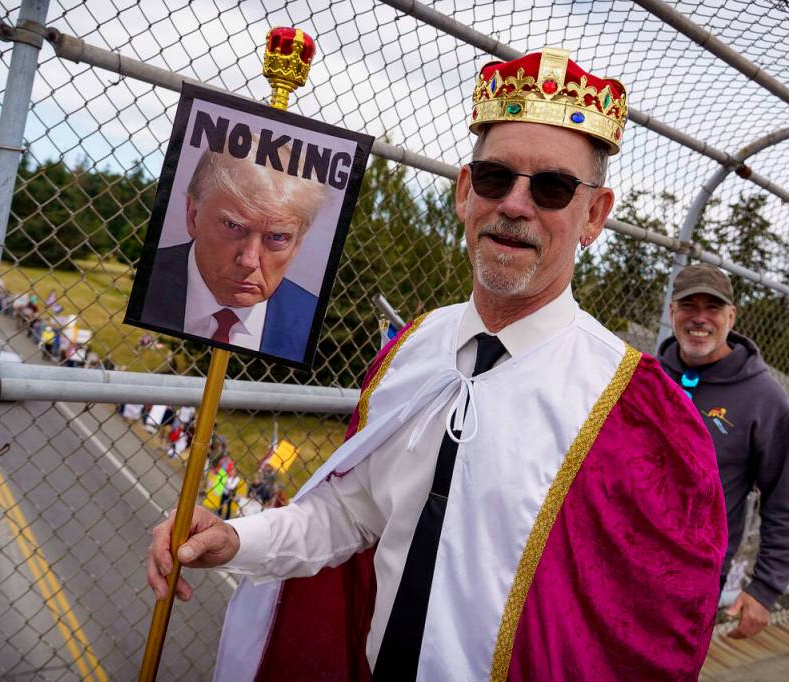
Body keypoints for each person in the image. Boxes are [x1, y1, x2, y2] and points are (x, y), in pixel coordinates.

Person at [148, 47, 726, 680]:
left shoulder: (638, 416)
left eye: (554, 188)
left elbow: (644, 645)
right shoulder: (411, 349)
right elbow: (352, 515)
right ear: (462, 191)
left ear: (593, 214)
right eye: (494, 177)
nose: (515, 204)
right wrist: (237, 540)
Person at [658, 263, 789, 639]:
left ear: (731, 316)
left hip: (695, 576)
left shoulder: (765, 399)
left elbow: (782, 503)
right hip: (625, 556)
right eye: (689, 305)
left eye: (713, 307)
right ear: (672, 311)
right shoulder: (648, 377)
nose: (700, 318)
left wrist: (764, 589)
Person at [138, 134, 328, 363]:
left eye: (277, 237)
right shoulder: (146, 284)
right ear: (193, 215)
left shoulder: (311, 320)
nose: (249, 261)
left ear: (297, 244)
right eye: (233, 226)